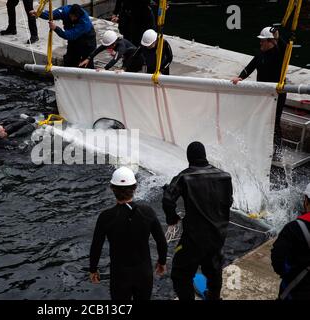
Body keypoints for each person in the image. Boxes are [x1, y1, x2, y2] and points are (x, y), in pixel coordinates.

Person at [162, 141, 233, 300]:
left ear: (189, 158)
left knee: (180, 274)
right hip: (218, 234)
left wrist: (172, 218)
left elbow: (168, 199)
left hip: (193, 238)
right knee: (214, 269)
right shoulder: (225, 176)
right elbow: (229, 202)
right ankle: (214, 296)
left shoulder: (184, 176)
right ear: (204, 156)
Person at [89, 167, 168, 300]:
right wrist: (162, 261)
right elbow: (161, 241)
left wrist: (93, 269)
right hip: (144, 273)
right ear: (135, 188)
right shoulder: (147, 212)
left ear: (112, 188)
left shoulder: (106, 217)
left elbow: (96, 246)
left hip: (120, 275)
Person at [231, 26, 288, 160]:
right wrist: (240, 77)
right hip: (262, 93)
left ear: (271, 42)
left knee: (274, 121)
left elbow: (285, 46)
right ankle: (260, 145)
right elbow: (250, 67)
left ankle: (277, 152)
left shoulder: (280, 54)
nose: (260, 43)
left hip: (277, 93)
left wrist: (277, 37)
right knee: (259, 118)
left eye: (263, 41)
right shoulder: (260, 53)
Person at [271, 183, 310, 300]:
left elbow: (278, 261)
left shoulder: (293, 228)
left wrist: (290, 273)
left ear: (306, 201)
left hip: (295, 291)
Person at [30, 4, 97, 68]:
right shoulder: (65, 10)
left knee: (87, 63)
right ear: (70, 13)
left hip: (87, 41)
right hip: (74, 40)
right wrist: (38, 13)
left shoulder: (84, 23)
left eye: (76, 17)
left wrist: (56, 28)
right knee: (70, 60)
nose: (74, 19)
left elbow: (69, 35)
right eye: (73, 16)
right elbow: (52, 15)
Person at [79, 30, 144, 72]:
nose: (106, 48)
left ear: (114, 43)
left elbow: (115, 59)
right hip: (127, 57)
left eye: (108, 46)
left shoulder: (121, 47)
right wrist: (89, 58)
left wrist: (105, 68)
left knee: (128, 71)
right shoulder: (112, 42)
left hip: (136, 59)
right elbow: (99, 49)